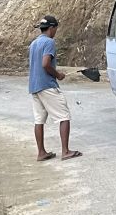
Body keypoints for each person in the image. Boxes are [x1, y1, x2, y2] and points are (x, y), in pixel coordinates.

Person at [29, 14, 81, 162]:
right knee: (64, 116)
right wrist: (57, 74)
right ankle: (65, 151)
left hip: (34, 86)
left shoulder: (33, 44)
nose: (56, 31)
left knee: (39, 120)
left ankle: (41, 153)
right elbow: (45, 64)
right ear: (52, 28)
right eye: (56, 28)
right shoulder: (49, 42)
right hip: (47, 85)